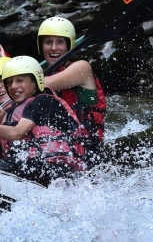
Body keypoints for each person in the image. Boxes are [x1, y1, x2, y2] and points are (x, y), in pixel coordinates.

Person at [0, 56, 87, 184]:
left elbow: (17, 133)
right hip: (34, 168)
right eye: (10, 82)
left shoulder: (43, 100)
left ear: (34, 82)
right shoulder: (13, 111)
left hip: (54, 169)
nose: (13, 86)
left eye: (20, 80)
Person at [37, 17, 106, 156]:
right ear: (41, 46)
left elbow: (42, 84)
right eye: (48, 42)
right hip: (55, 148)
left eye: (60, 42)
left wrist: (12, 74)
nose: (54, 48)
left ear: (69, 45)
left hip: (87, 152)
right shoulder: (40, 74)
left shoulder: (82, 68)